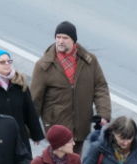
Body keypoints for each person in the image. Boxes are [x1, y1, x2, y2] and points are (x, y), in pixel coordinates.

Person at [30, 21, 111, 154]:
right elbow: (35, 100)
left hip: (80, 127)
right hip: (56, 129)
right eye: (58, 37)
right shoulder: (43, 66)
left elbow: (100, 87)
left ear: (73, 40)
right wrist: (32, 130)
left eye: (65, 38)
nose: (60, 41)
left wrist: (104, 114)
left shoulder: (89, 61)